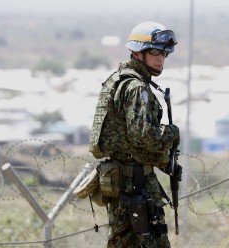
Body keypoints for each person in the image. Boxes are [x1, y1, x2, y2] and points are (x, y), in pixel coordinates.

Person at [88, 21, 181, 248]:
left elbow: (129, 139)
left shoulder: (120, 79)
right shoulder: (136, 87)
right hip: (136, 185)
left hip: (122, 182)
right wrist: (172, 132)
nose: (161, 58)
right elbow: (144, 137)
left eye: (165, 53)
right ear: (138, 53)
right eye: (156, 52)